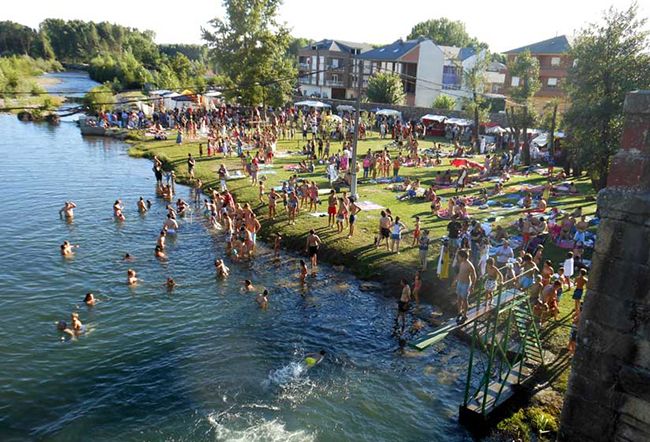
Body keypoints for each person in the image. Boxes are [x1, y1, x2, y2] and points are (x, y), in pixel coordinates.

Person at [454, 249, 476, 323]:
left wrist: (472, 286)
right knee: (458, 299)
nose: (458, 258)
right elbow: (460, 273)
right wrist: (455, 280)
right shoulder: (462, 263)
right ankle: (459, 313)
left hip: (466, 284)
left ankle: (465, 315)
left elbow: (474, 276)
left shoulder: (469, 265)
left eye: (459, 256)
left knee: (464, 299)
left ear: (463, 257)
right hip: (459, 283)